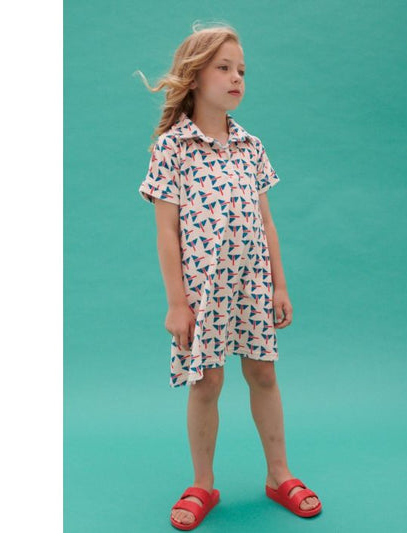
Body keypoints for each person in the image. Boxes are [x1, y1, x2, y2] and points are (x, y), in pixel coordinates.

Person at [135, 23, 322, 530]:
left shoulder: (251, 147)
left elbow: (267, 223)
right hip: (203, 292)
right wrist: (177, 303)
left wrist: (279, 285)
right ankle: (202, 483)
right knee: (207, 382)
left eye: (241, 70)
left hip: (252, 286)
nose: (237, 77)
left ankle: (279, 474)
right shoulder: (172, 148)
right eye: (224, 68)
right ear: (195, 77)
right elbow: (166, 233)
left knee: (264, 373)